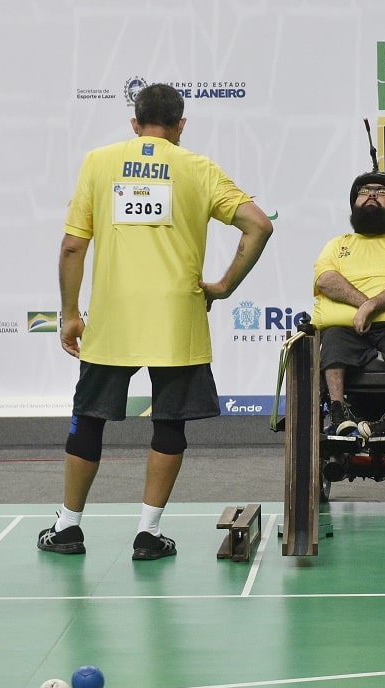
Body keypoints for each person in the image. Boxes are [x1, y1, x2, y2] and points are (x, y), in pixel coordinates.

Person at [38, 83, 273, 560]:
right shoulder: (198, 168)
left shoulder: (99, 162)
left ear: (134, 122)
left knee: (88, 421)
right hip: (177, 318)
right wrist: (224, 286)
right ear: (181, 125)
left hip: (113, 319)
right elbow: (259, 224)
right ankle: (148, 534)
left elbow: (71, 247)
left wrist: (68, 316)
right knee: (169, 426)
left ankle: (68, 527)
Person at [311, 167, 385, 439]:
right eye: (364, 192)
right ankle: (339, 413)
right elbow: (326, 279)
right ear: (354, 206)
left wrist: (372, 307)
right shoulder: (336, 245)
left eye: (381, 192)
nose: (372, 195)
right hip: (347, 329)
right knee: (334, 340)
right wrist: (364, 304)